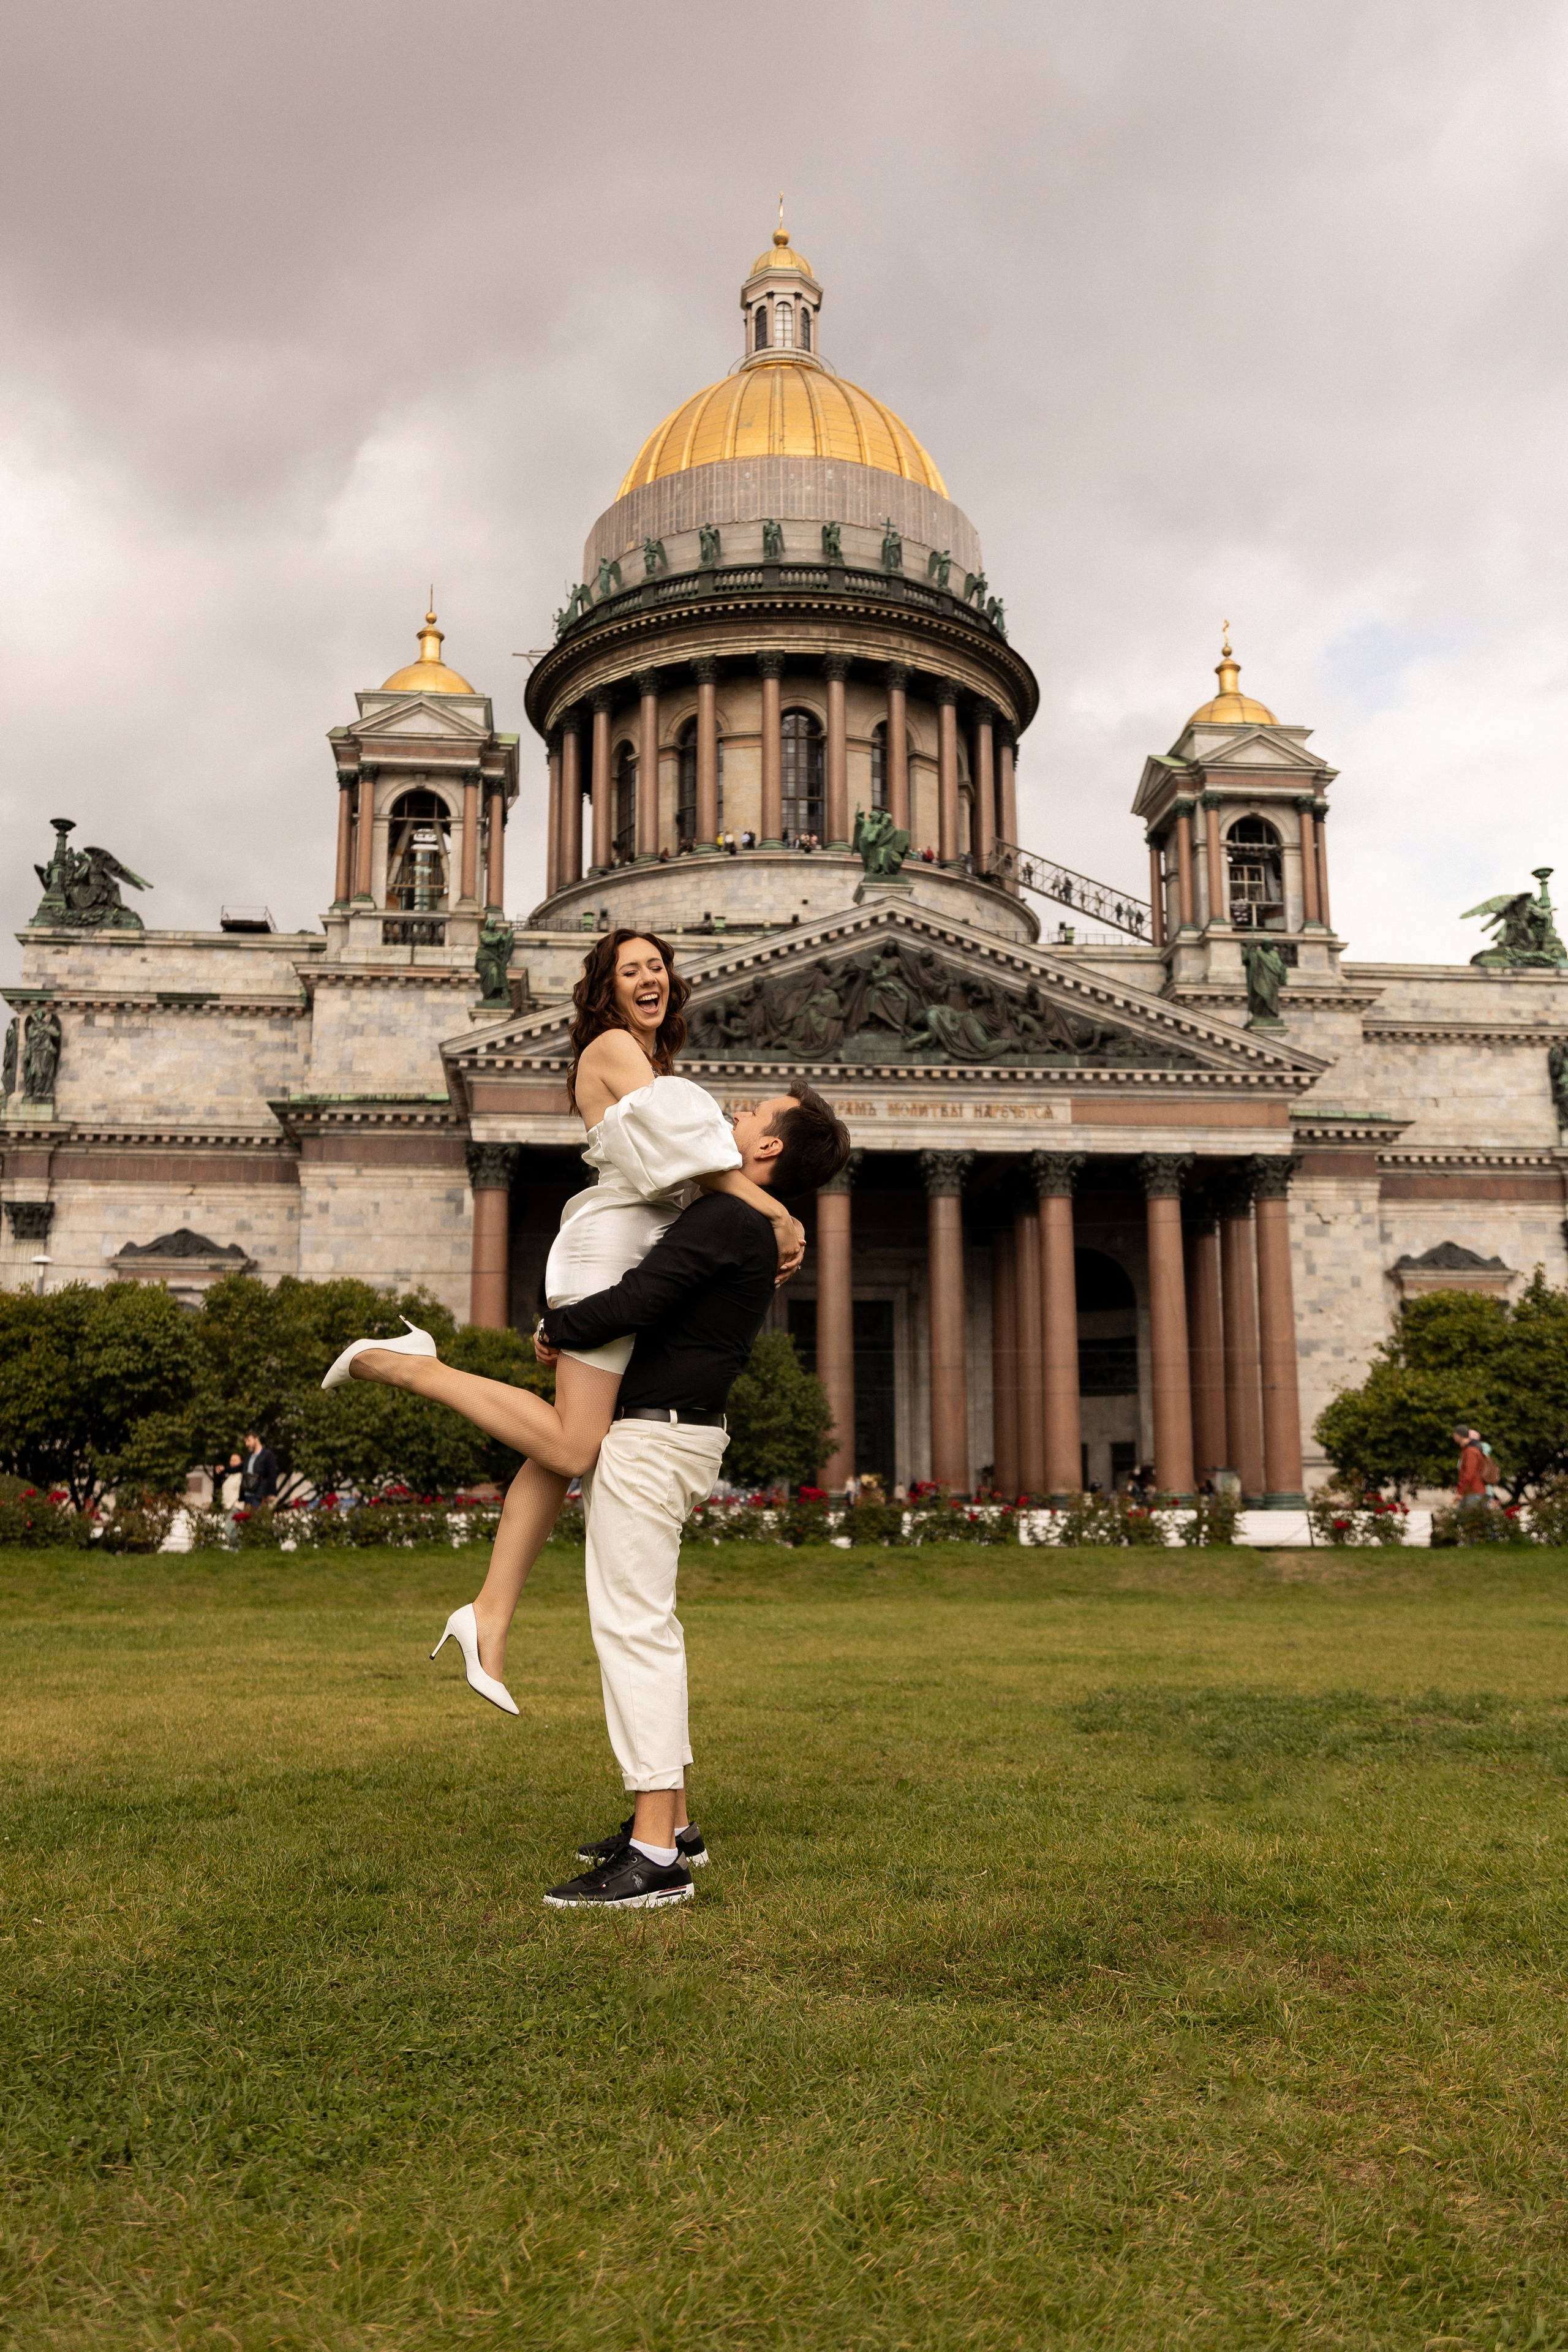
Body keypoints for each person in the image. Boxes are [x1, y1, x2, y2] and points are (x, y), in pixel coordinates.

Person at [323, 930, 806, 1712]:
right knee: (576, 1442)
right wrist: (777, 1210)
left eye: (657, 968)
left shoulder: (650, 1065)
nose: (648, 979)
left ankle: (489, 1615)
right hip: (609, 1243)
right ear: (606, 990)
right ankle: (410, 1364)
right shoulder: (614, 1048)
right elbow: (700, 1166)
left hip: (623, 1244)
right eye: (630, 970)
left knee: (556, 1450)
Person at [533, 1079, 851, 1909]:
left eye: (748, 1114)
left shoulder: (726, 1219)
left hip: (653, 1435)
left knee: (634, 1630)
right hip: (675, 1430)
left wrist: (555, 1329)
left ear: (770, 1148)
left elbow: (640, 1300)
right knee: (650, 1626)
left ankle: (653, 1859)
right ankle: (671, 1826)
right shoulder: (742, 1219)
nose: (732, 1117)